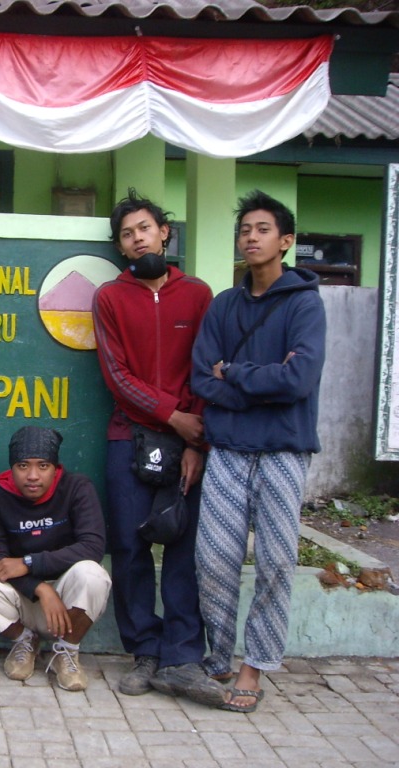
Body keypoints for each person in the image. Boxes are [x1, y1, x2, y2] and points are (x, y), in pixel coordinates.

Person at [192, 190, 326, 713]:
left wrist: (235, 373)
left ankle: (257, 664)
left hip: (284, 449)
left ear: (285, 241)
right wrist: (256, 386)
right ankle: (220, 655)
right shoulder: (224, 305)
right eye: (245, 229)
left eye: (263, 229)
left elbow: (298, 380)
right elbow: (203, 379)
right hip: (228, 447)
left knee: (274, 562)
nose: (251, 237)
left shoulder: (304, 303)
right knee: (213, 559)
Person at [92, 189, 224, 706]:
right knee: (129, 547)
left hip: (189, 440)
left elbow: (206, 368)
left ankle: (182, 654)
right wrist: (172, 415)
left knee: (183, 548)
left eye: (144, 228)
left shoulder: (198, 295)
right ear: (121, 247)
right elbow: (117, 375)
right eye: (127, 234)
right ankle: (144, 651)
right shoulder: (109, 298)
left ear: (164, 232)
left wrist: (195, 440)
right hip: (128, 435)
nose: (138, 239)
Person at [0, 426, 111, 691]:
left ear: (55, 468)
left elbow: (92, 547)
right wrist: (40, 588)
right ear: (12, 468)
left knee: (93, 574)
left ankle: (67, 650)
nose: (32, 475)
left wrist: (29, 563)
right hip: (23, 598)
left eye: (43, 466)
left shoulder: (77, 488)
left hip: (67, 599)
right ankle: (25, 641)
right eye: (23, 466)